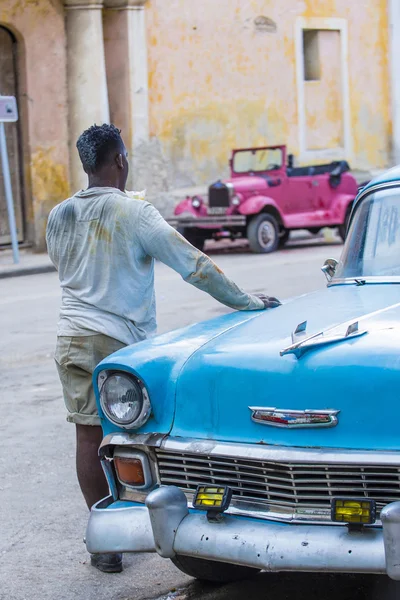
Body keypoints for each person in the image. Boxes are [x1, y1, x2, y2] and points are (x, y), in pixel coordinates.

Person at [46, 123, 281, 573]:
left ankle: (106, 541)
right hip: (120, 344)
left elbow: (64, 266)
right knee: (148, 438)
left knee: (87, 434)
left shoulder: (60, 215)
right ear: (120, 161)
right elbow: (193, 266)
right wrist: (248, 303)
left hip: (71, 336)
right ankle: (167, 531)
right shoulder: (135, 213)